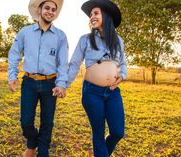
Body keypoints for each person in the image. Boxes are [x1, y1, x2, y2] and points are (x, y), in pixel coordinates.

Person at [8, 0, 68, 156]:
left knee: (47, 122)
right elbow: (14, 53)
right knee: (26, 122)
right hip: (28, 82)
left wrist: (61, 84)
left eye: (54, 9)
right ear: (40, 9)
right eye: (47, 8)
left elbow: (63, 63)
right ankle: (32, 143)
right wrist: (12, 75)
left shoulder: (61, 36)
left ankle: (43, 151)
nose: (50, 11)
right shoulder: (25, 32)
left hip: (50, 84)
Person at [67, 0, 127, 156]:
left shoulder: (119, 41)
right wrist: (64, 85)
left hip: (113, 92)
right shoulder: (85, 39)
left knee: (118, 131)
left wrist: (122, 76)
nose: (92, 17)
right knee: (98, 133)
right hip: (92, 92)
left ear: (105, 16)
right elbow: (74, 64)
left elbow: (123, 65)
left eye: (96, 13)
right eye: (91, 14)